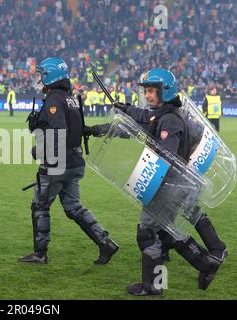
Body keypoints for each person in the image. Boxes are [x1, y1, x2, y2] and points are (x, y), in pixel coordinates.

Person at [85, 68, 226, 295]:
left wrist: (145, 142)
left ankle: (153, 287)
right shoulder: (166, 113)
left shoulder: (169, 121)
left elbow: (165, 158)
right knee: (165, 232)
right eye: (146, 91)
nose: (148, 95)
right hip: (177, 184)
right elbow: (145, 119)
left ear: (165, 91)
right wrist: (126, 110)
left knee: (147, 232)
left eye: (152, 91)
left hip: (166, 185)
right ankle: (205, 263)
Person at [19, 57, 119, 265]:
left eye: (42, 74)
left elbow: (58, 132)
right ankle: (105, 243)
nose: (40, 78)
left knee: (40, 205)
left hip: (58, 163)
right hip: (75, 161)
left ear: (49, 75)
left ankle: (40, 253)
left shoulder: (54, 100)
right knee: (73, 207)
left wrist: (41, 150)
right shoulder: (71, 98)